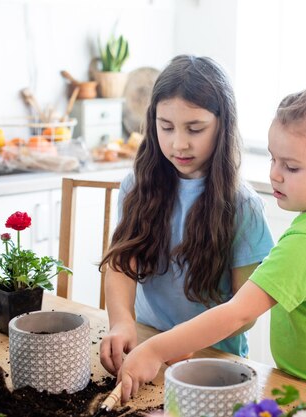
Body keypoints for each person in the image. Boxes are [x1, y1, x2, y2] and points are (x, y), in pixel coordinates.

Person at [115, 63, 306, 403]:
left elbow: (239, 312)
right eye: (273, 160)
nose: (275, 176)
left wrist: (154, 350)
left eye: (291, 166)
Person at [98, 55, 275, 376]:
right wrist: (122, 321)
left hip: (212, 356)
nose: (179, 143)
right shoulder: (137, 184)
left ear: (223, 125)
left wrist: (182, 342)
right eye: (166, 127)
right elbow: (122, 264)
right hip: (146, 342)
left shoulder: (242, 204)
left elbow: (245, 312)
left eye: (195, 128)